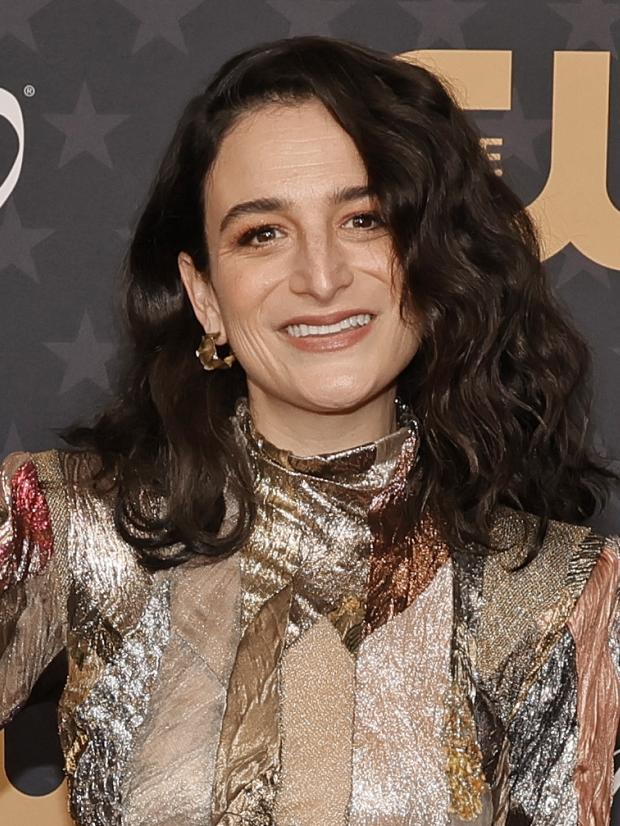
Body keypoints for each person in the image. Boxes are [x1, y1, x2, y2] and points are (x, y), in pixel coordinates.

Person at [0, 34, 618, 826]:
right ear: (204, 295)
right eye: (262, 233)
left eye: (364, 220)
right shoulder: (73, 527)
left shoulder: (554, 591)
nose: (320, 277)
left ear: (433, 261)